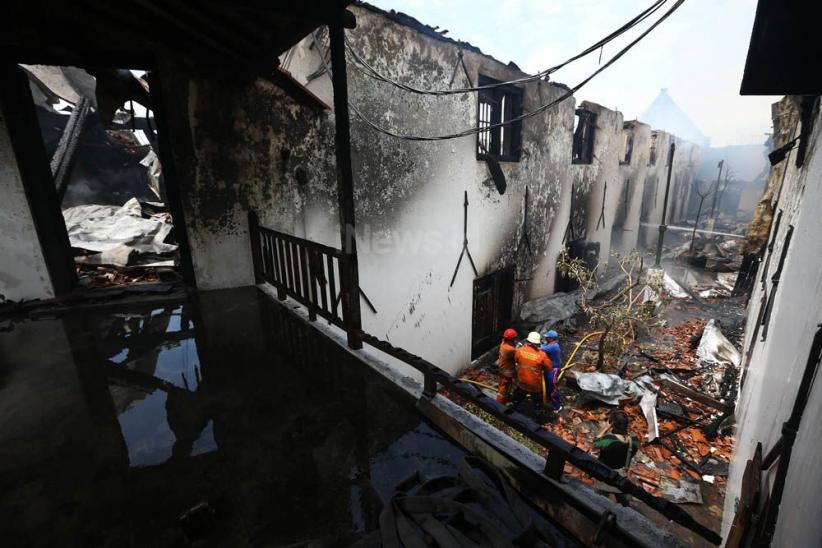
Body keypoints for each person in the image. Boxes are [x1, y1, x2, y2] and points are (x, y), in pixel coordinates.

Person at [593, 410, 640, 506]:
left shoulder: (608, 440)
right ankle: (624, 506)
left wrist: (605, 428)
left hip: (605, 475)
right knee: (620, 493)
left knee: (599, 499)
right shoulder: (634, 440)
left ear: (612, 424)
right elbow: (633, 451)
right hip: (620, 476)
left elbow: (595, 442)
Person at [510, 331, 553, 416]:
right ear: (537, 343)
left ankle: (513, 407)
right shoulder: (541, 355)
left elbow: (515, 360)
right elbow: (549, 367)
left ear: (528, 341)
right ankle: (538, 413)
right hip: (535, 385)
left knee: (518, 395)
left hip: (522, 382)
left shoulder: (519, 350)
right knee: (538, 399)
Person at [541, 330, 562, 412]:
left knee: (552, 388)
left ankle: (557, 406)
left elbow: (540, 349)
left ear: (552, 339)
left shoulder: (554, 346)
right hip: (548, 367)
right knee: (547, 385)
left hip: (553, 369)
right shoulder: (548, 343)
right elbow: (543, 345)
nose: (546, 338)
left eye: (547, 337)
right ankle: (548, 398)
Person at [496, 328, 518, 404]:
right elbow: (518, 357)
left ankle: (504, 398)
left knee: (501, 384)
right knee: (504, 388)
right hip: (507, 372)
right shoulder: (511, 349)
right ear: (512, 339)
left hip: (501, 368)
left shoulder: (503, 344)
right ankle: (499, 404)